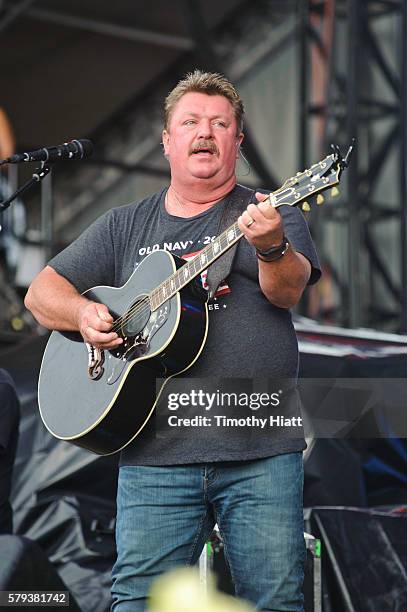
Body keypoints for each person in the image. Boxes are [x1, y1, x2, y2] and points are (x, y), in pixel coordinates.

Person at [25, 70, 321, 611]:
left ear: (238, 140)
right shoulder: (125, 226)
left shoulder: (269, 211)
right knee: (138, 600)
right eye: (190, 122)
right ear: (167, 141)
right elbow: (41, 293)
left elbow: (288, 294)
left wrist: (273, 247)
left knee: (274, 600)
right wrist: (85, 313)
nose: (204, 132)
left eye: (219, 123)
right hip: (153, 452)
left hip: (259, 448)